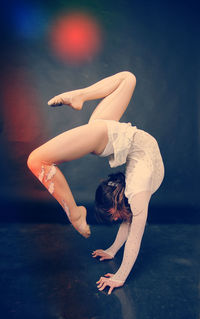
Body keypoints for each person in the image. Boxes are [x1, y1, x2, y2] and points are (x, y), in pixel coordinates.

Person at [27, 71, 165, 295]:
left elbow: (127, 222)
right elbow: (134, 237)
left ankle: (80, 95)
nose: (116, 218)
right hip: (108, 134)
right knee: (36, 161)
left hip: (115, 133)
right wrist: (119, 275)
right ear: (120, 201)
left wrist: (111, 251)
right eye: (114, 214)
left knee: (128, 79)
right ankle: (74, 213)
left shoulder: (136, 192)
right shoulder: (138, 190)